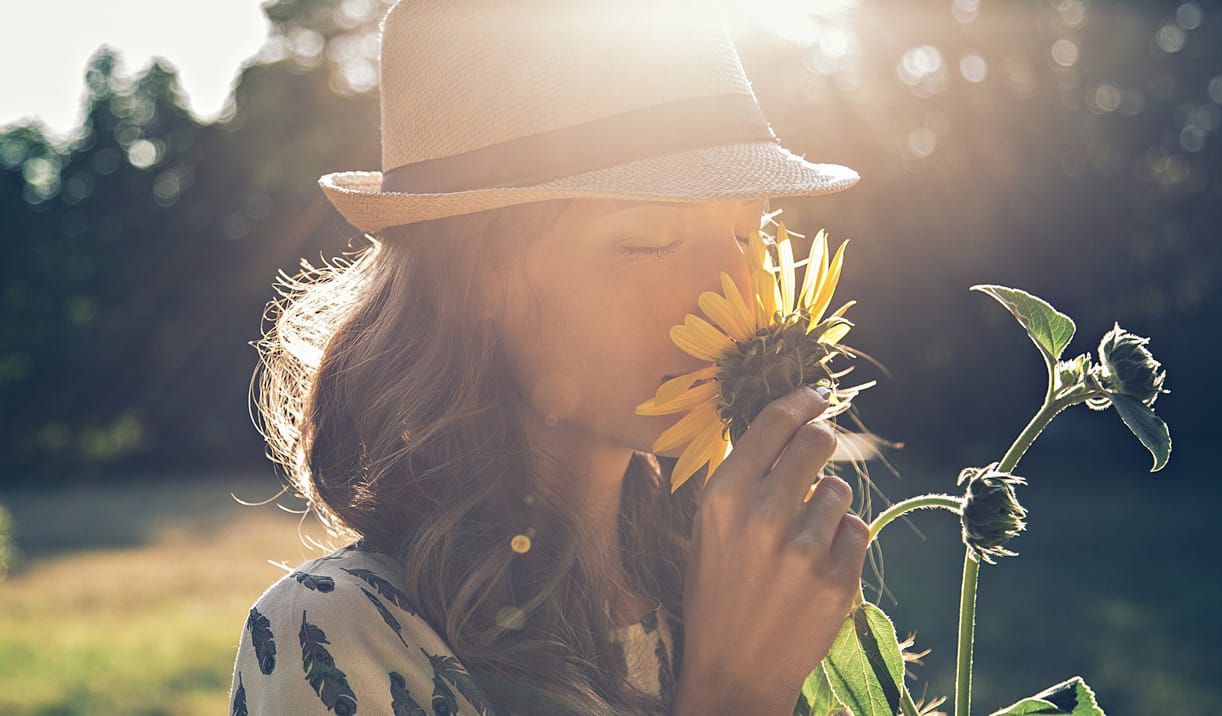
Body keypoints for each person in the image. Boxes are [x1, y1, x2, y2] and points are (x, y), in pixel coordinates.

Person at [230, 1, 876, 714]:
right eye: (650, 243)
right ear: (475, 275)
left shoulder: (741, 583)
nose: (741, 290)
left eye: (749, 235)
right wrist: (737, 691)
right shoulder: (339, 637)